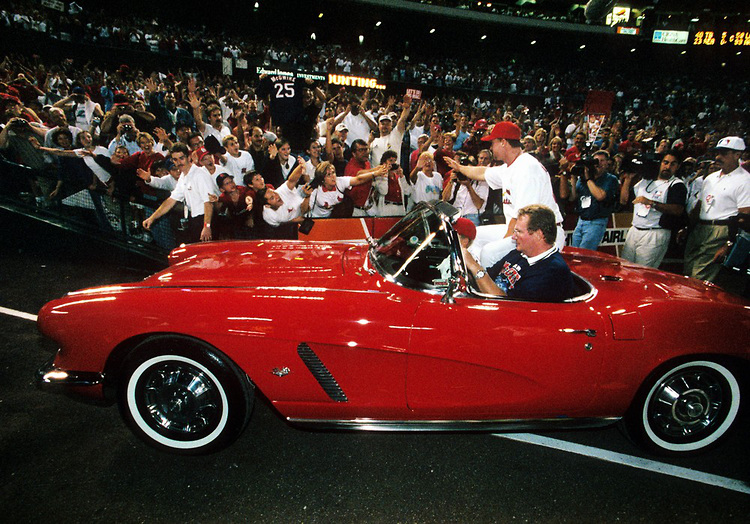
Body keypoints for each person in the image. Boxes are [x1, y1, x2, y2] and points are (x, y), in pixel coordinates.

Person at [445, 121, 565, 268]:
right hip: (523, 231)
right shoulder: (511, 166)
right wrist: (459, 167)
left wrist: (503, 243)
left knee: (489, 253)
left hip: (542, 235)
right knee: (473, 235)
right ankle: (471, 277)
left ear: (503, 142)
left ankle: (491, 289)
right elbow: (482, 172)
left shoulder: (527, 168)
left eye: (493, 142)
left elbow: (522, 217)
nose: (490, 147)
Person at [463, 204, 575, 302]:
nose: (513, 237)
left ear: (539, 235)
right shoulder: (519, 254)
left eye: (519, 232)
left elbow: (507, 304)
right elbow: (489, 276)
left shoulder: (552, 272)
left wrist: (474, 266)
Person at [683, 137, 750, 291]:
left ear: (737, 154)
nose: (718, 157)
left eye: (724, 153)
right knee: (687, 274)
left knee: (699, 279)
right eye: (717, 153)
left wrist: (729, 244)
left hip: (721, 231)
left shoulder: (745, 181)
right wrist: (688, 228)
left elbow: (745, 219)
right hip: (700, 228)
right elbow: (700, 206)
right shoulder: (710, 178)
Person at [620, 150, 687, 268]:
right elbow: (624, 201)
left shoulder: (676, 185)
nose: (668, 167)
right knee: (625, 268)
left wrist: (652, 203)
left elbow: (678, 210)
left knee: (642, 272)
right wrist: (628, 180)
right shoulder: (646, 180)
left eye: (673, 164)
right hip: (635, 230)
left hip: (654, 233)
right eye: (665, 162)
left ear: (678, 167)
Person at [142, 143, 218, 243]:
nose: (179, 162)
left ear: (189, 157)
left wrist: (207, 226)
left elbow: (208, 202)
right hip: (194, 220)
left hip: (206, 220)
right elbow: (171, 200)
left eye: (181, 158)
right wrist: (152, 218)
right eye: (175, 159)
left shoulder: (200, 175)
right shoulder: (183, 177)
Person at [560, 150, 620, 251]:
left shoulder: (610, 179)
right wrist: (574, 178)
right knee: (575, 252)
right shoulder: (582, 179)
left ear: (607, 163)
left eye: (602, 161)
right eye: (596, 161)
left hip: (596, 221)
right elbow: (572, 197)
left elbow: (600, 196)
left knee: (585, 254)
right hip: (581, 220)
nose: (599, 164)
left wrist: (588, 178)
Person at [308, 161, 387, 218]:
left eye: (333, 172)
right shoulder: (316, 189)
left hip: (329, 218)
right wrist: (307, 196)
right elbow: (305, 210)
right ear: (322, 179)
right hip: (315, 219)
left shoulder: (339, 181)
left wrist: (375, 173)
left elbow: (358, 179)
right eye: (329, 174)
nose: (333, 176)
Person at [256, 159, 312, 230]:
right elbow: (281, 225)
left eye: (274, 193)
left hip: (306, 213)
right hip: (287, 228)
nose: (277, 197)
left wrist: (301, 166)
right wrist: (293, 221)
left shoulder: (281, 191)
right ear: (267, 205)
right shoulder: (269, 216)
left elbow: (292, 180)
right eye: (272, 198)